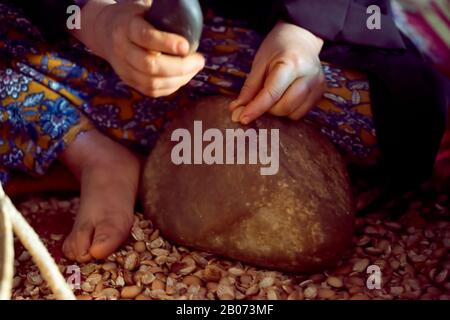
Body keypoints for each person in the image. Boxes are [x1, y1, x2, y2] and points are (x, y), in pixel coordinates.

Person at [0, 0, 446, 262]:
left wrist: (304, 34)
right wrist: (101, 23)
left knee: (399, 117)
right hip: (84, 52)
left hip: (254, 46)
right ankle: (91, 152)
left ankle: (105, 131)